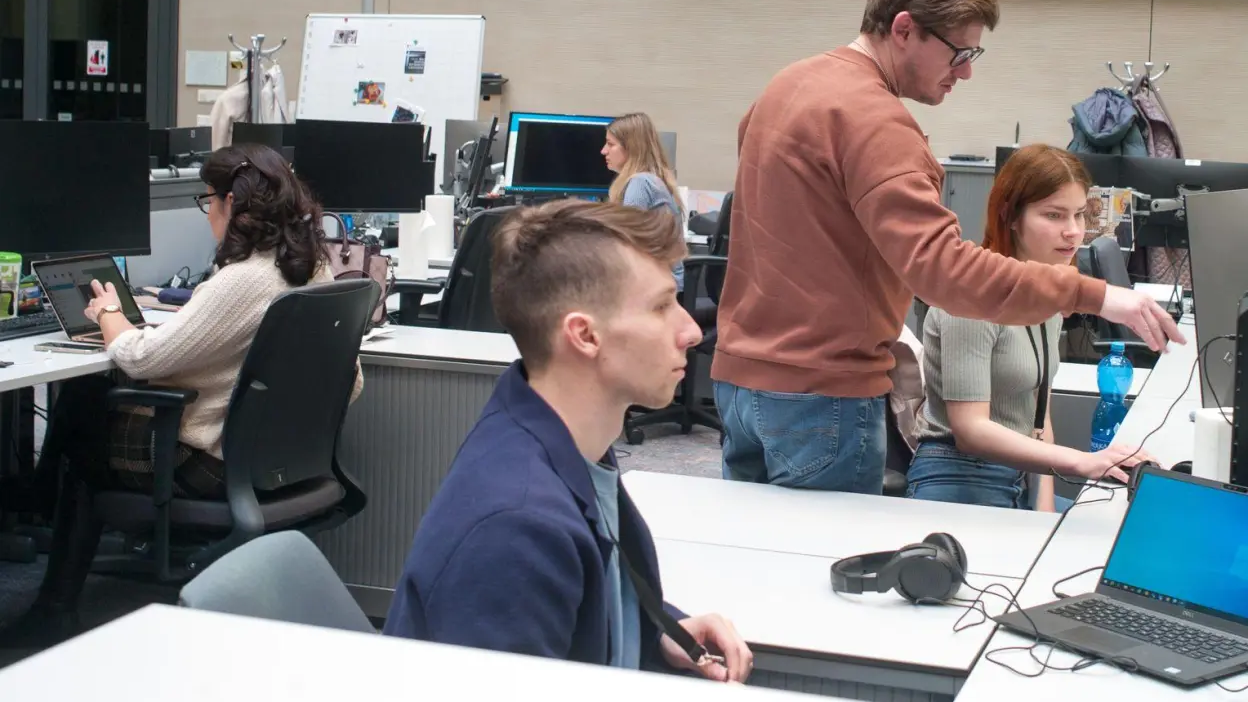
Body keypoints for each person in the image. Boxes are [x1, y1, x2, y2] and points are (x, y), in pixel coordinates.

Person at [711, 0, 1182, 495]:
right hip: (822, 394)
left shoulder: (786, 87)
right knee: (823, 570)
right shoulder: (875, 121)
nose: (965, 74)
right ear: (904, 28)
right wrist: (1099, 296)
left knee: (757, 561)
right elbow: (944, 272)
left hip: (741, 383)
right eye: (960, 53)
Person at [384, 201, 753, 682]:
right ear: (584, 335)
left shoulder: (570, 440)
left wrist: (661, 626)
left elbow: (597, 584)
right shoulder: (515, 532)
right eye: (662, 306)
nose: (688, 329)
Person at [2, 145, 356, 644]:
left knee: (84, 414)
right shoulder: (312, 270)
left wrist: (107, 314)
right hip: (280, 461)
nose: (206, 211)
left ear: (232, 203)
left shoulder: (241, 280)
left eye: (207, 199)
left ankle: (54, 602)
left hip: (212, 464)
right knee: (87, 411)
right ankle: (39, 506)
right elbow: (352, 380)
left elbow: (142, 357)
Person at [907, 145, 1157, 511]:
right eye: (1054, 215)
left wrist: (1044, 510)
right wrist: (1083, 463)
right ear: (1010, 216)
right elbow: (971, 431)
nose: (1073, 232)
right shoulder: (973, 298)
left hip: (1019, 475)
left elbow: (1038, 416)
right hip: (959, 480)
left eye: (1079, 215)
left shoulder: (1048, 292)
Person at [603, 112, 686, 292]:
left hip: (657, 288)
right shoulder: (653, 179)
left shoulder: (640, 182)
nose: (603, 151)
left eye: (610, 144)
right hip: (662, 282)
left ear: (631, 147)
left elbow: (628, 241)